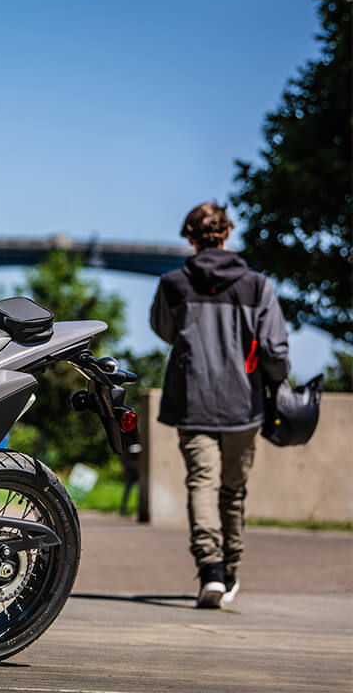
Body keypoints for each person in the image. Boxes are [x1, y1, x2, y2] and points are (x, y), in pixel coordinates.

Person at [149, 202, 289, 609]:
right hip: (243, 402)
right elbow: (275, 349)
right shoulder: (257, 285)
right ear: (227, 233)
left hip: (192, 398)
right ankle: (229, 568)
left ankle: (209, 570)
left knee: (201, 483)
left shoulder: (173, 283)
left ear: (190, 239)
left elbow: (164, 330)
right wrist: (276, 382)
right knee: (233, 490)